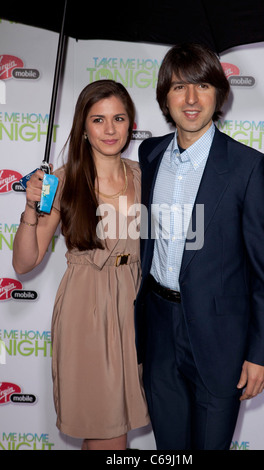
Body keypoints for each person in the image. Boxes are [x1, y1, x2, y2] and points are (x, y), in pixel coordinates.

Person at [135, 44, 264, 450]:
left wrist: (261, 354)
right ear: (165, 96)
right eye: (180, 86)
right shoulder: (148, 155)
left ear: (219, 93)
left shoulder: (249, 168)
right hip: (160, 330)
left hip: (222, 340)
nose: (190, 99)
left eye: (202, 85)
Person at [13, 80, 149, 450]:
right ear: (83, 128)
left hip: (136, 306)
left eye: (118, 119)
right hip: (86, 307)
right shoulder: (64, 179)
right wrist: (30, 207)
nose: (109, 130)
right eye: (98, 120)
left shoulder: (144, 175)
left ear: (130, 124)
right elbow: (25, 262)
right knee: (106, 428)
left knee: (115, 425)